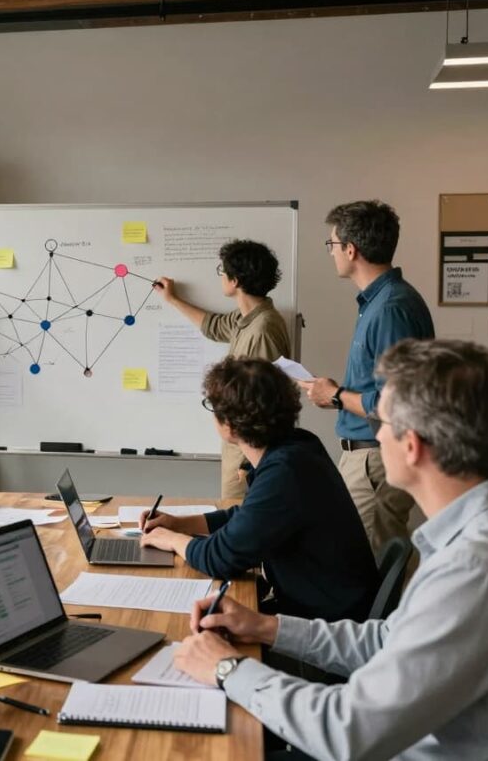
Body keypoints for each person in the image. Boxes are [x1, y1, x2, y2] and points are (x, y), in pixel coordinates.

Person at [174, 339, 488, 760]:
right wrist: (266, 628)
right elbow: (390, 641)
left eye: (382, 422)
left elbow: (347, 733)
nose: (375, 433)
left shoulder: (475, 568)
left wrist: (226, 667)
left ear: (411, 445)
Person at [139, 358, 377, 622]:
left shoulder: (285, 470)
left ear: (229, 424)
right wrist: (178, 524)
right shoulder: (297, 446)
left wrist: (171, 540)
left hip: (325, 623)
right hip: (327, 604)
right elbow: (248, 518)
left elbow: (220, 558)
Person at [301, 201, 434, 551]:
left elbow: (396, 402)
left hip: (375, 459)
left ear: (351, 249)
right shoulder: (379, 302)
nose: (331, 253)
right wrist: (335, 393)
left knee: (369, 567)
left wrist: (335, 395)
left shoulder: (391, 308)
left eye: (332, 245)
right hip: (368, 456)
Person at [156, 240, 290, 499]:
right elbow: (214, 326)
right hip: (240, 449)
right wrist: (172, 299)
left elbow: (261, 405)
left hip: (249, 455)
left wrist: (246, 465)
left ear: (235, 281)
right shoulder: (246, 319)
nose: (221, 276)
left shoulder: (263, 329)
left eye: (222, 271)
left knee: (237, 521)